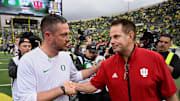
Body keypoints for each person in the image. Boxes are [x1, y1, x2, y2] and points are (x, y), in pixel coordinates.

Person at [71, 19, 178, 101]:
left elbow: (170, 95)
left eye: (116, 36)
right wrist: (73, 85)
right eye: (111, 37)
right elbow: (93, 85)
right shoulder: (107, 64)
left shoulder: (154, 59)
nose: (112, 41)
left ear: (130, 36)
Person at [16, 14, 100, 101]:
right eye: (63, 35)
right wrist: (61, 90)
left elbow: (74, 76)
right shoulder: (28, 60)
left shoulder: (66, 56)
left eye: (68, 34)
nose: (68, 39)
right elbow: (26, 98)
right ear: (48, 35)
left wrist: (96, 68)